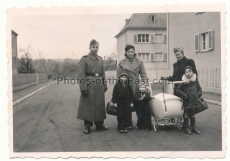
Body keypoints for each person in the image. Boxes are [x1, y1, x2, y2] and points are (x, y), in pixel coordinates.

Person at [77, 39, 109, 134]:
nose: (95, 49)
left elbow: (103, 73)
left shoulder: (100, 59)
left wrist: (105, 85)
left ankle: (100, 124)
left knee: (99, 104)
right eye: (93, 47)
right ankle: (87, 126)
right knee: (88, 106)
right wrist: (83, 87)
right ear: (89, 47)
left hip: (99, 84)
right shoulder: (84, 59)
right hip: (89, 84)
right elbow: (81, 74)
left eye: (97, 47)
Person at [117, 44, 148, 129]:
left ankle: (140, 123)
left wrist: (144, 84)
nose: (130, 53)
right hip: (125, 86)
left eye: (132, 52)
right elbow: (118, 76)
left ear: (134, 52)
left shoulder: (139, 61)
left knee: (139, 104)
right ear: (125, 53)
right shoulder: (121, 62)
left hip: (136, 86)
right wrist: (119, 87)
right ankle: (128, 123)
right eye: (128, 52)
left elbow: (143, 74)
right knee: (127, 106)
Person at [176, 66, 202, 135]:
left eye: (190, 71)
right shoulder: (183, 80)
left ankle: (193, 127)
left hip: (194, 100)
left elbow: (199, 88)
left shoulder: (195, 80)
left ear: (192, 72)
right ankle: (186, 128)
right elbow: (178, 90)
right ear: (184, 74)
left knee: (193, 115)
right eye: (186, 72)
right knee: (186, 115)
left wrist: (198, 94)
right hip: (187, 100)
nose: (188, 73)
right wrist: (184, 95)